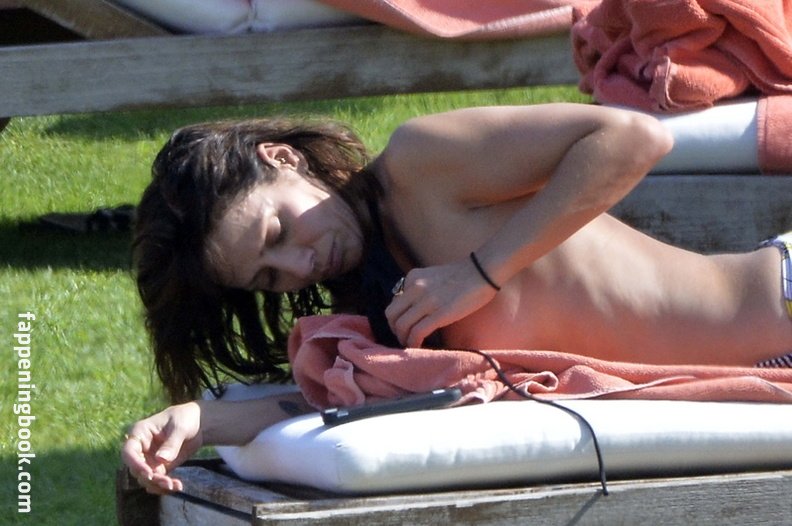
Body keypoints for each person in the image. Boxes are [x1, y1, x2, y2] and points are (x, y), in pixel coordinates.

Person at [123, 103, 792, 494]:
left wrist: (479, 272)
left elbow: (634, 138)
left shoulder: (420, 167)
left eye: (279, 231)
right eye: (270, 278)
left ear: (284, 159)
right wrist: (200, 422)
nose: (300, 264)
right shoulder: (375, 301)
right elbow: (349, 401)